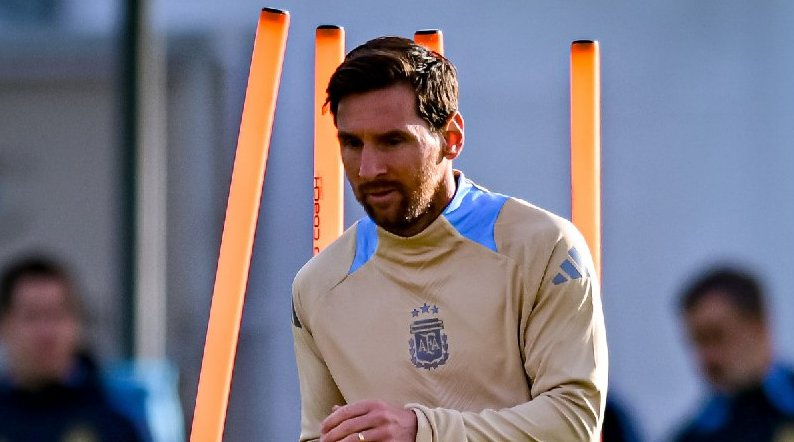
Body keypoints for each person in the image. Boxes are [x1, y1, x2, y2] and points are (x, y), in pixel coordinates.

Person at [291, 36, 608, 442]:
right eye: (352, 143)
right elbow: (320, 436)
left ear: (452, 137)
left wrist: (422, 431)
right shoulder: (316, 286)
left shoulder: (545, 247)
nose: (368, 168)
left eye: (392, 141)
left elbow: (574, 423)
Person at [0, 255, 145, 442]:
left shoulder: (114, 424)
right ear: (4, 324)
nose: (46, 332)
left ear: (77, 324)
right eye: (32, 316)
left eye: (56, 315)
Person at [673, 266, 794, 442]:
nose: (707, 356)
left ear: (759, 328)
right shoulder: (694, 436)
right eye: (697, 341)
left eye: (716, 336)